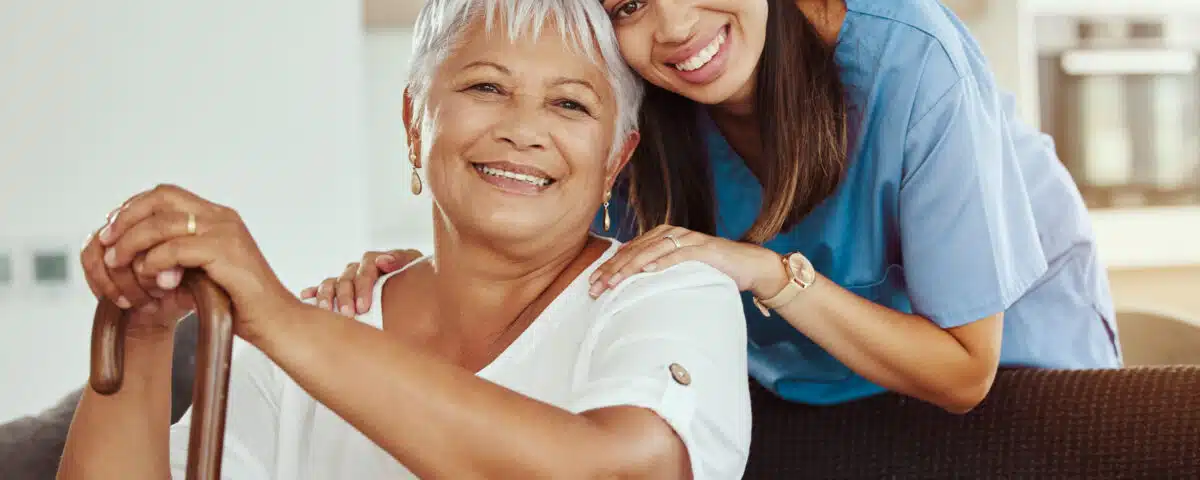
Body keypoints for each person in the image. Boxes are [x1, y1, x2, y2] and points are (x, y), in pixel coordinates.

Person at [305, 0, 1122, 415]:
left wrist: (768, 274)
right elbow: (546, 247)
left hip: (1013, 387)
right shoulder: (638, 105)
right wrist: (412, 289)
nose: (676, 28)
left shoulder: (910, 60)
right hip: (800, 406)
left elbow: (963, 372)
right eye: (627, 4)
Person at [56, 1, 753, 478]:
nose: (523, 129)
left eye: (570, 103)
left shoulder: (672, 292)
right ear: (414, 123)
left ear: (616, 158)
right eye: (486, 86)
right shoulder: (309, 332)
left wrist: (282, 320)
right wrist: (141, 335)